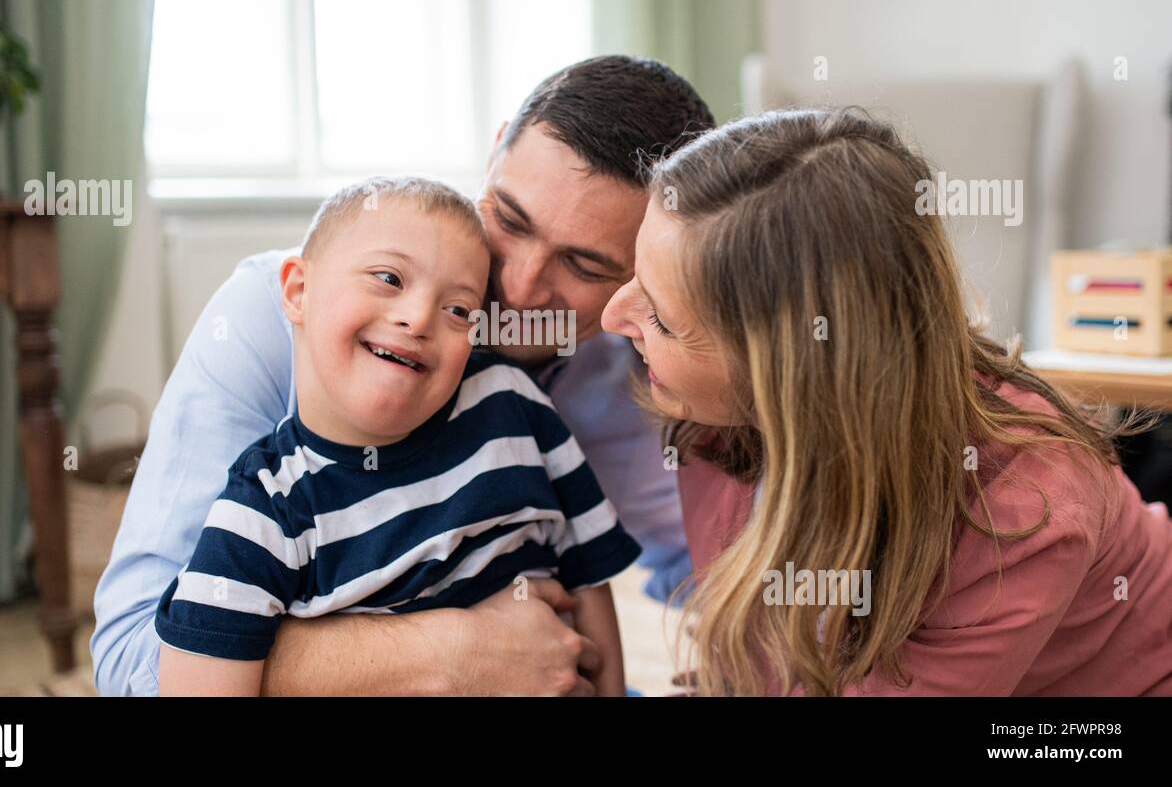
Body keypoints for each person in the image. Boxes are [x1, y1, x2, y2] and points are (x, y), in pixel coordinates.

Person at [92, 56, 715, 696]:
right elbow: (131, 660)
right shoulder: (273, 320)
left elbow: (715, 571)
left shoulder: (643, 372)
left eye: (583, 265)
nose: (520, 289)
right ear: (496, 150)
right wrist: (453, 654)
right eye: (510, 218)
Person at [601, 107, 1172, 696]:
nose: (611, 316)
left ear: (788, 370)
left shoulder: (1024, 514)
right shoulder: (709, 419)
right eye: (635, 277)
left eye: (662, 320)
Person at [155, 177, 639, 696]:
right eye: (388, 278)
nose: (418, 318)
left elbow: (589, 572)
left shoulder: (512, 403)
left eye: (458, 310)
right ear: (298, 291)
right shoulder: (263, 511)